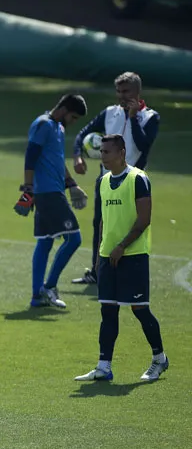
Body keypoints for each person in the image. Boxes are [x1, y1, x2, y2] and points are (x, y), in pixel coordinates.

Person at [75, 134, 168, 382]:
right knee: (108, 311)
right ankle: (104, 366)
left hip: (133, 255)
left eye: (106, 152)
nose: (101, 156)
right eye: (101, 152)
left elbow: (144, 219)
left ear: (121, 153)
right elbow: (105, 220)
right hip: (108, 257)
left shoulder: (138, 179)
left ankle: (159, 359)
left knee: (139, 309)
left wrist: (122, 246)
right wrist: (100, 255)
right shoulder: (103, 181)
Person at [71, 72, 160, 284]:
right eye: (118, 91)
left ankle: (127, 273)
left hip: (133, 182)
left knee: (130, 226)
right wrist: (77, 156)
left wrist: (132, 117)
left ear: (137, 92)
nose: (121, 96)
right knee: (100, 224)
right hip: (106, 181)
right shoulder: (109, 113)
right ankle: (97, 272)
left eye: (126, 91)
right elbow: (83, 133)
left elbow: (143, 145)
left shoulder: (150, 117)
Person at [14, 94, 89, 308]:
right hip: (48, 194)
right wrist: (28, 188)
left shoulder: (58, 128)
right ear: (64, 109)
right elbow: (31, 156)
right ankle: (49, 286)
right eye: (73, 117)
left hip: (54, 191)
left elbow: (56, 161)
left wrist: (72, 184)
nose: (73, 122)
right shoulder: (43, 125)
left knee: (45, 241)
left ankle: (37, 297)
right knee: (74, 239)